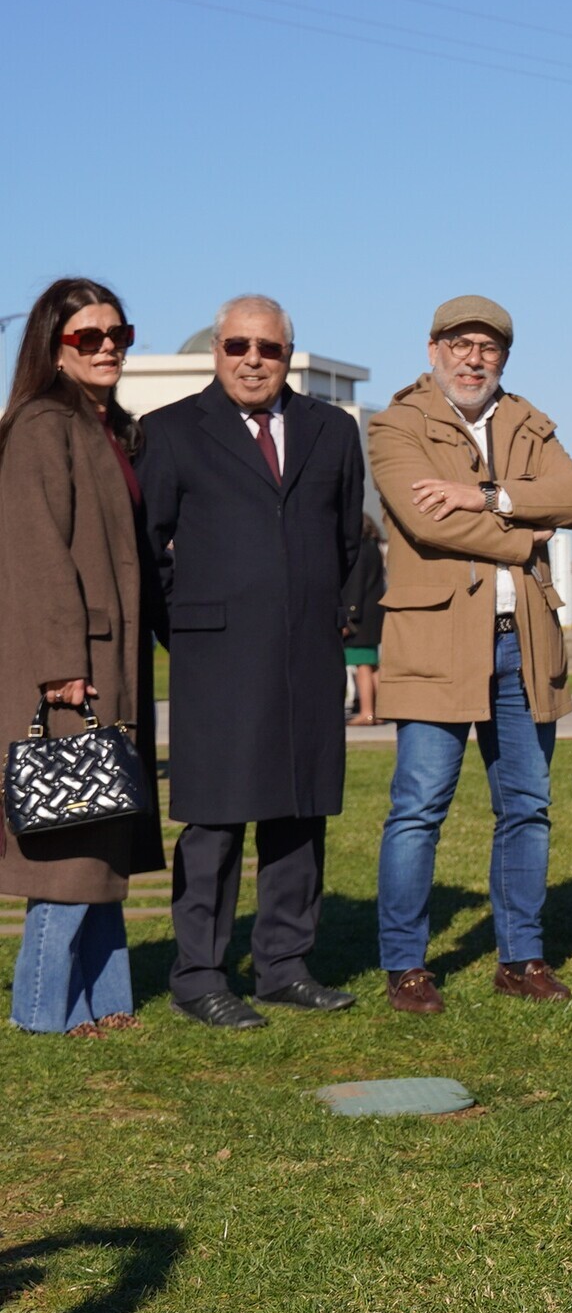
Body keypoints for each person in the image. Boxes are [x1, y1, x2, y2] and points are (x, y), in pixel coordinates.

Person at [139, 295, 365, 1028]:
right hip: (215, 658)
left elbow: (349, 541)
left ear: (287, 355)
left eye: (268, 348)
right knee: (215, 820)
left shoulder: (331, 429)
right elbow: (148, 551)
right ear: (217, 350)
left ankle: (284, 967)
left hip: (308, 651)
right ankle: (199, 976)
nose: (252, 360)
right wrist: (186, 627)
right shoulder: (170, 431)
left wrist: (332, 617)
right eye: (238, 345)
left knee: (299, 812)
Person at [368, 295, 572, 1013]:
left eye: (488, 348)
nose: (474, 359)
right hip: (435, 638)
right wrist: (526, 532)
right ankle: (406, 966)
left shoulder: (528, 421)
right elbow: (424, 521)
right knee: (419, 807)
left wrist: (488, 496)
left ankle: (520, 958)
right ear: (433, 349)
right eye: (460, 345)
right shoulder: (396, 424)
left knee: (527, 805)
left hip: (522, 640)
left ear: (503, 357)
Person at [0, 278, 164, 1036]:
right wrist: (61, 662)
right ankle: (41, 1011)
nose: (106, 349)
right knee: (69, 841)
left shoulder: (107, 426)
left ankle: (108, 1003)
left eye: (117, 335)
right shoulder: (43, 424)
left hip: (110, 659)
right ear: (55, 348)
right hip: (71, 667)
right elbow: (36, 552)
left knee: (103, 824)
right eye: (87, 337)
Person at [342, 514, 387, 725]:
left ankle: (367, 712)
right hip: (374, 612)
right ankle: (380, 710)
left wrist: (349, 615)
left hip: (359, 615)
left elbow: (355, 583)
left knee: (363, 665)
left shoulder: (359, 549)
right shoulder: (374, 547)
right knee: (371, 664)